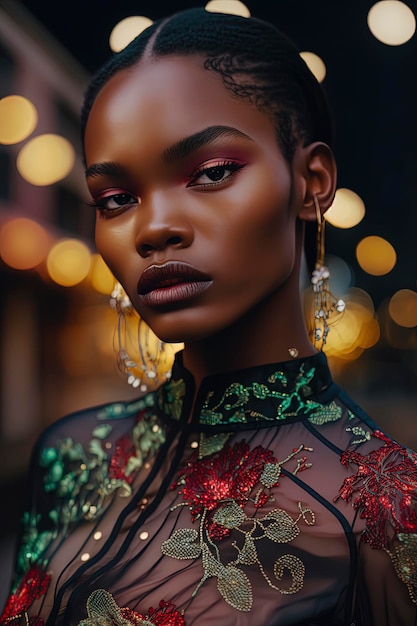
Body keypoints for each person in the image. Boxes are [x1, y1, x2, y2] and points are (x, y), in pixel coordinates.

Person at [1, 6, 417, 626]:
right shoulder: (69, 455)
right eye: (116, 199)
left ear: (312, 183)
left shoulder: (385, 511)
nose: (153, 227)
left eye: (212, 173)